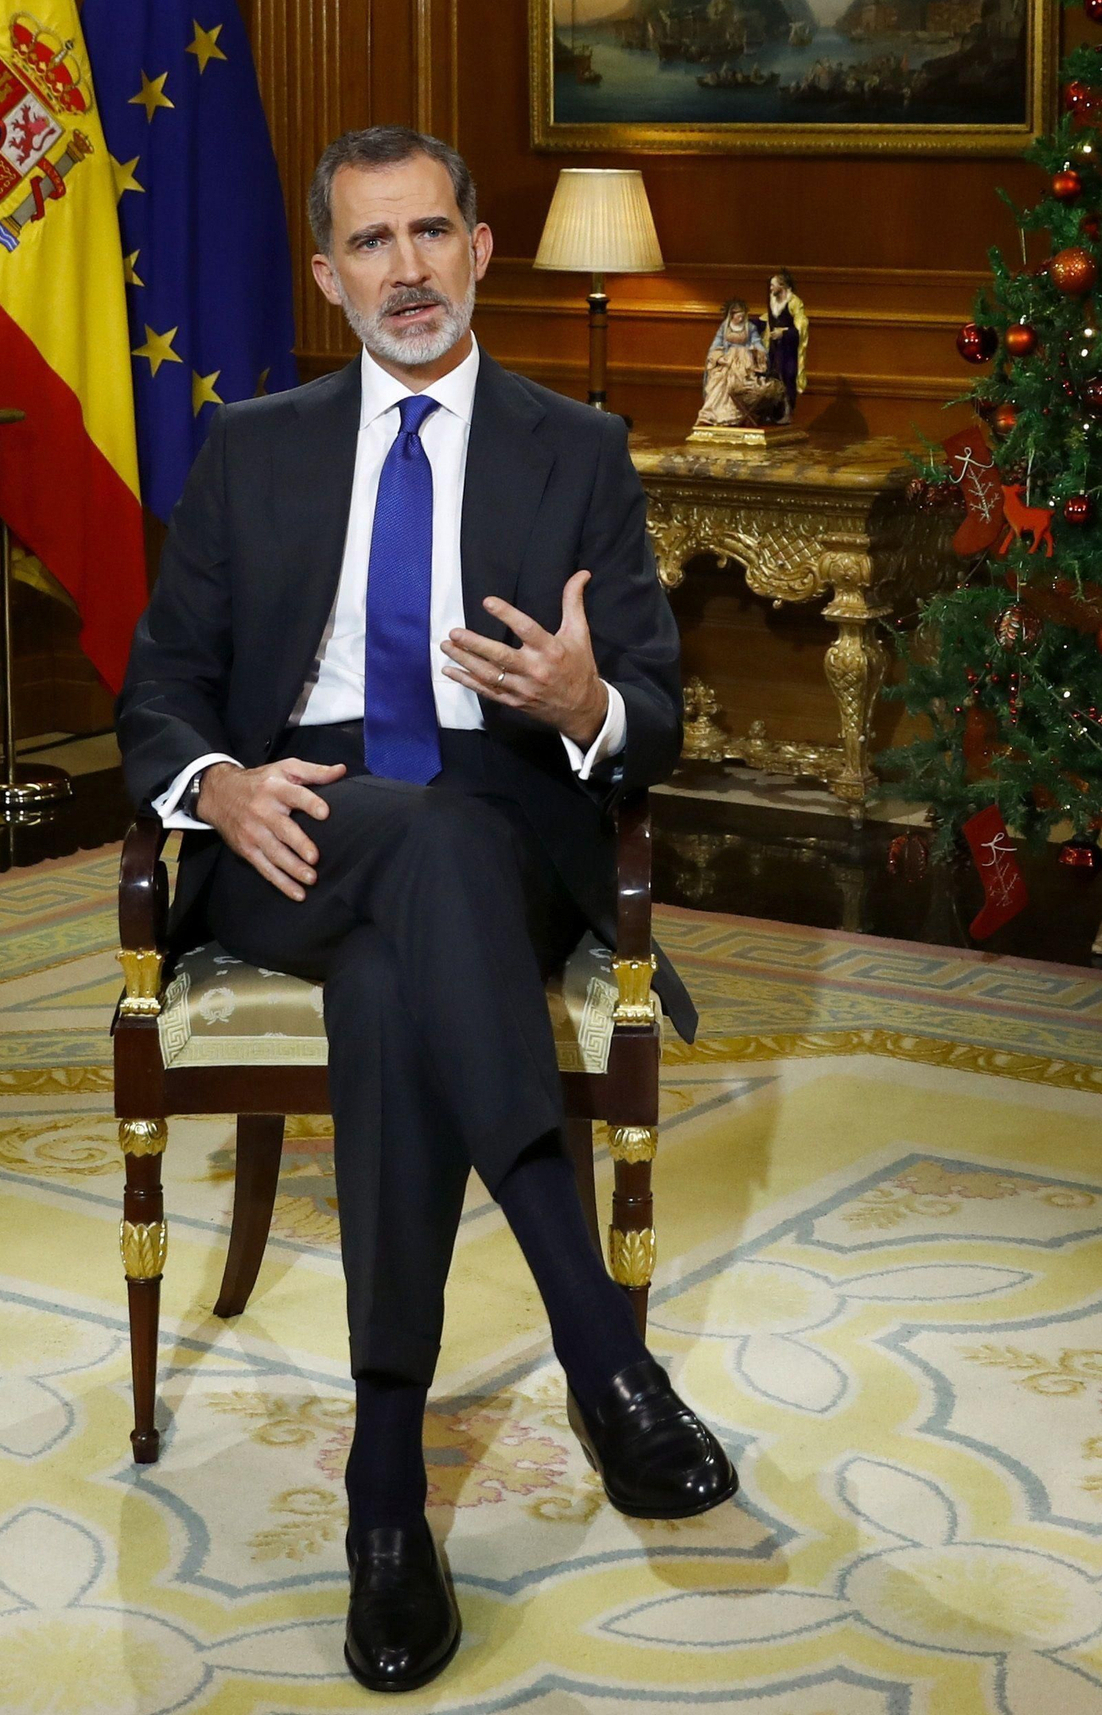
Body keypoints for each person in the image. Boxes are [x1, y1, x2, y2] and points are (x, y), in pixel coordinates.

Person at [118, 126, 736, 1695]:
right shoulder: (251, 445)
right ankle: (603, 1350)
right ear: (328, 277)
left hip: (499, 822)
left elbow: (656, 713)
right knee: (418, 873)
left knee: (424, 917)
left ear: (479, 251)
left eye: (431, 233)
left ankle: (382, 1488)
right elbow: (158, 697)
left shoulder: (575, 445)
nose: (405, 267)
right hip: (294, 828)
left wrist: (590, 696)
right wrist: (217, 787)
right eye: (369, 243)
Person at [695, 298, 780, 427]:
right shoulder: (724, 328)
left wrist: (760, 352)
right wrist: (719, 358)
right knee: (718, 380)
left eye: (743, 315)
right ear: (731, 315)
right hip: (728, 361)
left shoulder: (750, 328)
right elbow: (715, 346)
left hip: (745, 363)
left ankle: (737, 416)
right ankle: (712, 415)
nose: (741, 318)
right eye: (738, 315)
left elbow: (757, 343)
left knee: (739, 382)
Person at [762, 270, 809, 418]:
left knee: (788, 377)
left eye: (773, 285)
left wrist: (784, 333)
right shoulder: (772, 301)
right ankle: (772, 411)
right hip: (774, 348)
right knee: (771, 376)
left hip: (788, 349)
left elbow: (801, 327)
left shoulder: (794, 303)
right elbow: (768, 320)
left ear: (782, 286)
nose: (770, 288)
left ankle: (787, 411)